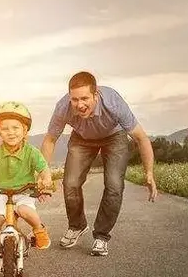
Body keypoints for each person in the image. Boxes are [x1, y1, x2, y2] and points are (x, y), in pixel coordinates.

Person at [40, 71, 158, 257]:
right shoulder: (63, 107)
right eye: (75, 99)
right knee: (70, 183)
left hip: (114, 136)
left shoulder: (113, 103)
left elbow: (141, 138)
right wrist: (44, 172)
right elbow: (49, 140)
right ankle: (77, 225)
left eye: (85, 98)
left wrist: (149, 173)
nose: (80, 105)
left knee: (114, 185)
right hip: (82, 138)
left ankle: (101, 236)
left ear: (96, 94)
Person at [0, 101, 53, 266]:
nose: (10, 133)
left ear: (25, 131)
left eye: (15, 128)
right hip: (1, 192)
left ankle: (39, 230)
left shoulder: (32, 152)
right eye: (5, 129)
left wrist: (45, 179)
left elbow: (44, 169)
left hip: (24, 192)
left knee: (24, 210)